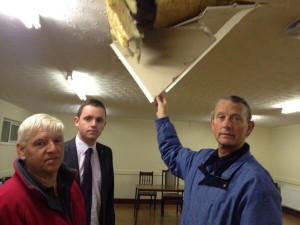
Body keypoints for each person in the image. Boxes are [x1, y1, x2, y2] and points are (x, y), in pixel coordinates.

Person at [154, 95, 282, 225]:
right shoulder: (198, 161)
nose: (227, 124)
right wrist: (162, 117)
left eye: (236, 118)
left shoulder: (257, 182)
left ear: (249, 128)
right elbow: (172, 151)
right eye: (221, 117)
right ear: (212, 124)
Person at [0, 114, 86, 225]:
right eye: (40, 143)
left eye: (57, 140)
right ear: (21, 150)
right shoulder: (7, 202)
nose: (53, 149)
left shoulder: (71, 183)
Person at [64, 98, 115, 225]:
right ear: (77, 121)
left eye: (99, 120)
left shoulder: (106, 153)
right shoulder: (61, 152)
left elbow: (108, 198)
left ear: (104, 125)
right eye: (88, 119)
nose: (93, 124)